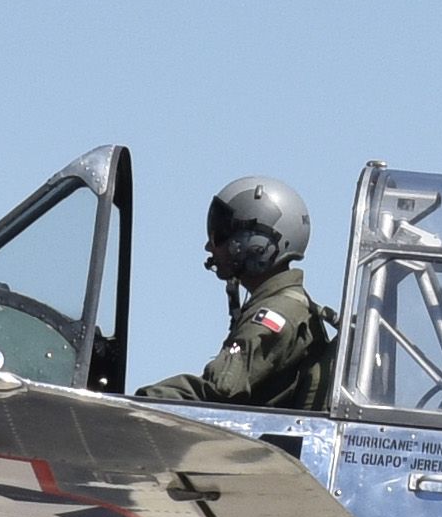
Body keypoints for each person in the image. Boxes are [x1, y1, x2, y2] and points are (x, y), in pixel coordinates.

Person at [137, 176, 335, 411]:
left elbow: (221, 391)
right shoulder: (290, 305)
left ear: (258, 244)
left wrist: (139, 402)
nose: (210, 247)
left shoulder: (275, 315)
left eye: (220, 234)